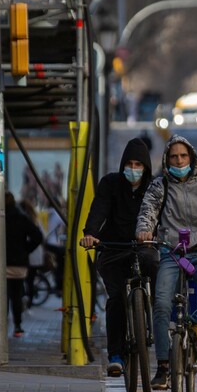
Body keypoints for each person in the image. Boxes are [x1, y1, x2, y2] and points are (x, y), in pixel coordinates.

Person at [136, 135, 197, 389]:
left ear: (191, 157)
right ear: (166, 160)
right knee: (160, 303)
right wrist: (144, 231)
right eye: (174, 157)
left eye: (183, 156)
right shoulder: (159, 186)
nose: (179, 161)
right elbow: (147, 213)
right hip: (172, 255)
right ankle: (163, 366)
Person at [78, 137, 158, 377]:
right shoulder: (110, 183)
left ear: (146, 167)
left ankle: (148, 311)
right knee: (116, 298)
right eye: (130, 164)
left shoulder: (155, 186)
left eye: (138, 165)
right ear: (123, 164)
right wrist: (90, 234)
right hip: (113, 248)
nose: (133, 169)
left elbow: (163, 214)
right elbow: (99, 209)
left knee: (154, 266)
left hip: (144, 247)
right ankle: (115, 355)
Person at [4, 191, 44, 338]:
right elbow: (38, 236)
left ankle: (0, 326)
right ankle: (18, 327)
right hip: (19, 264)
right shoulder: (22, 218)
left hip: (0, 264)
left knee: (1, 296)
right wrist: (26, 249)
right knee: (17, 295)